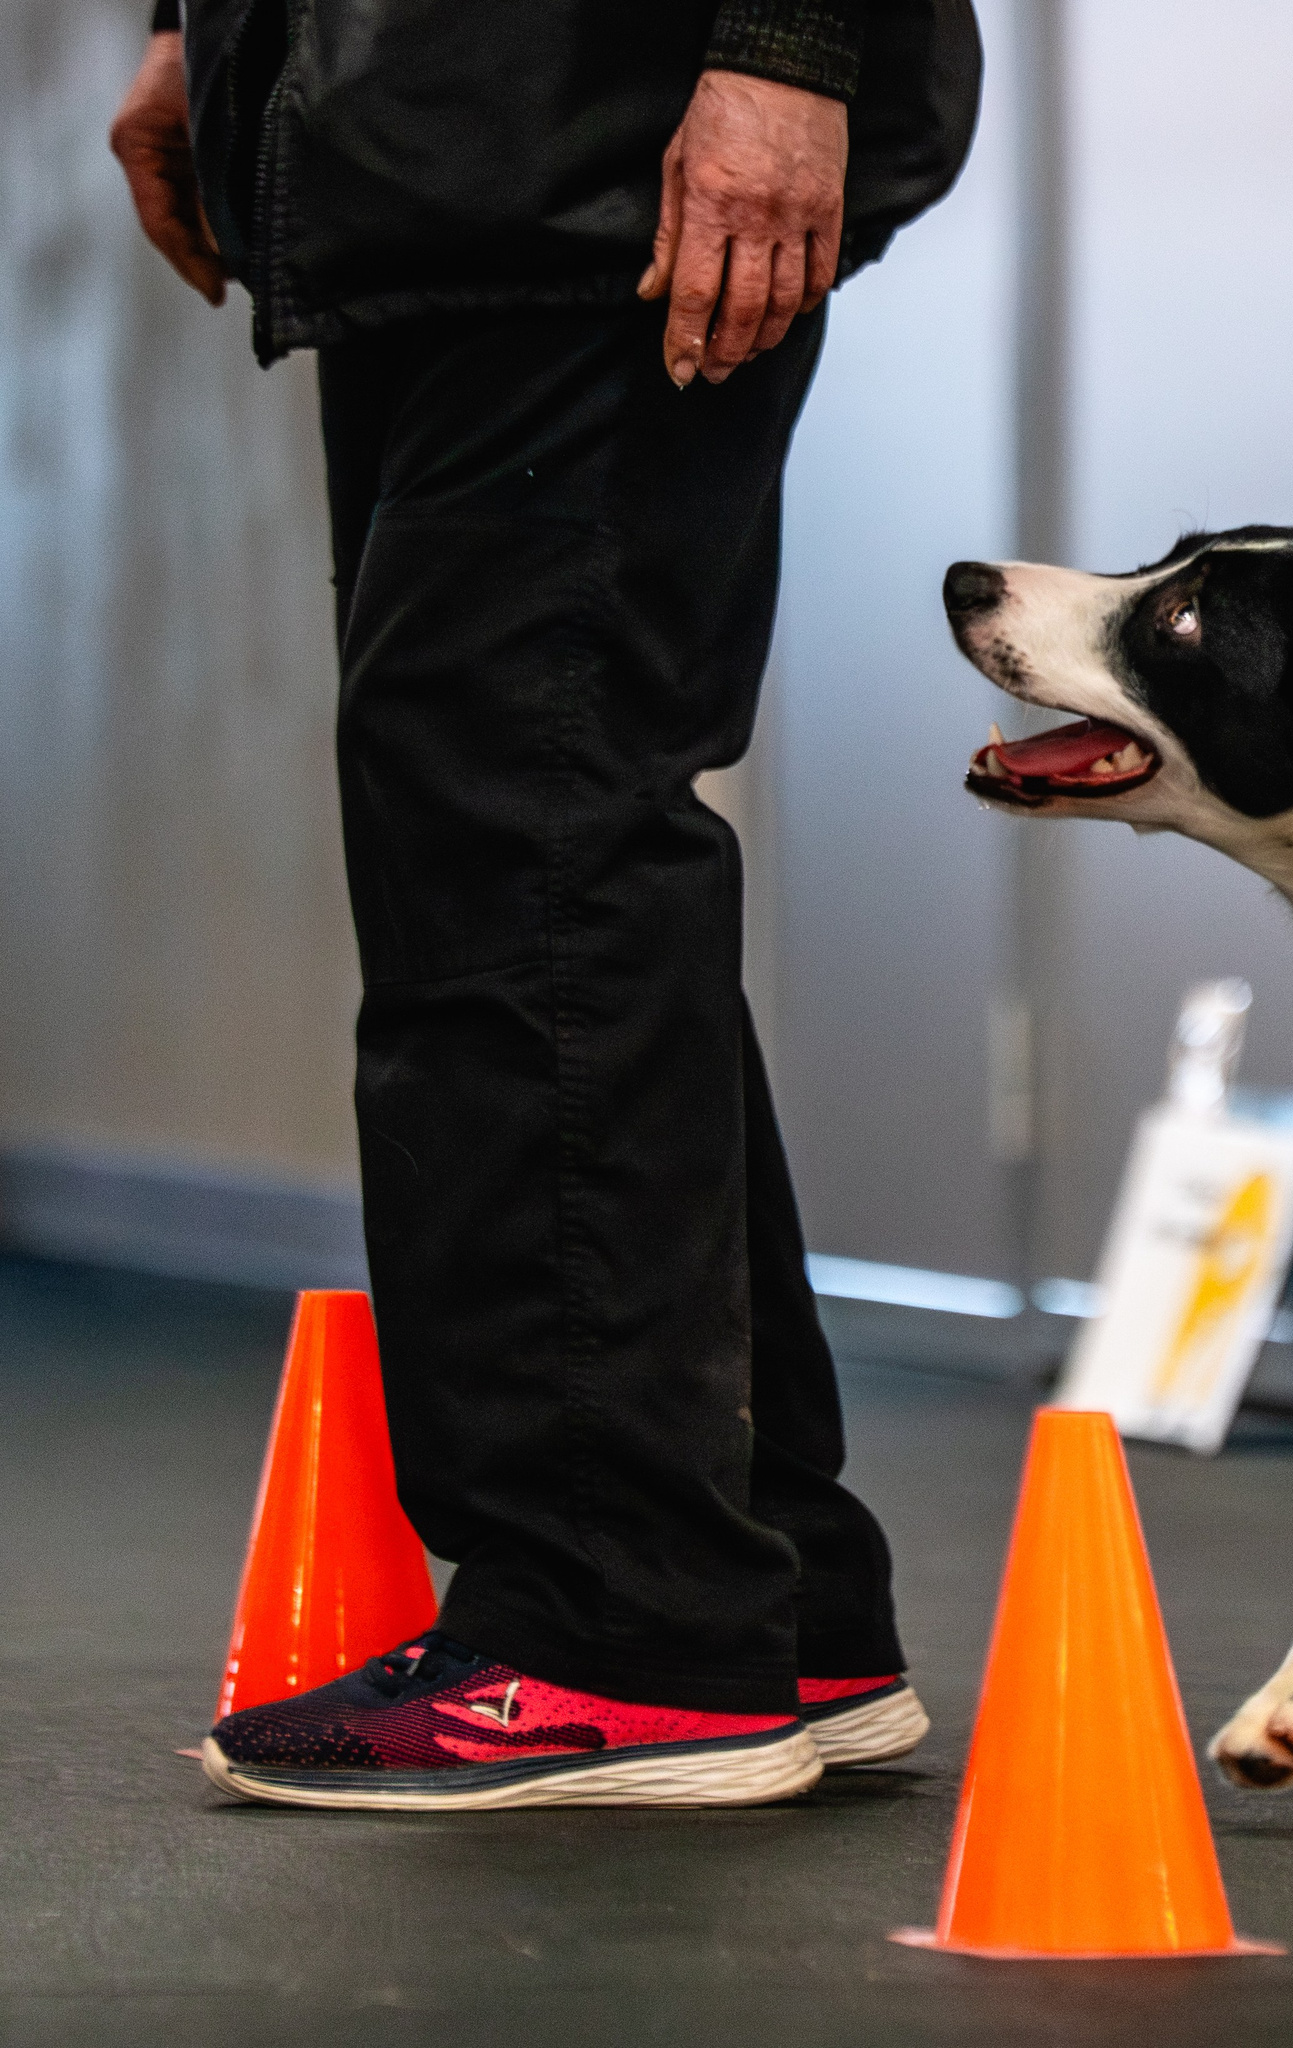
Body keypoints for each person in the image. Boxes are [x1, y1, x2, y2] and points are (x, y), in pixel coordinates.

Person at [109, 0, 980, 1812]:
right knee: (550, 848)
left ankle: (618, 1623)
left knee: (527, 835)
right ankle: (768, 1578)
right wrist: (193, 29)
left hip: (602, 141)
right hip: (437, 149)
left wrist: (789, 49)